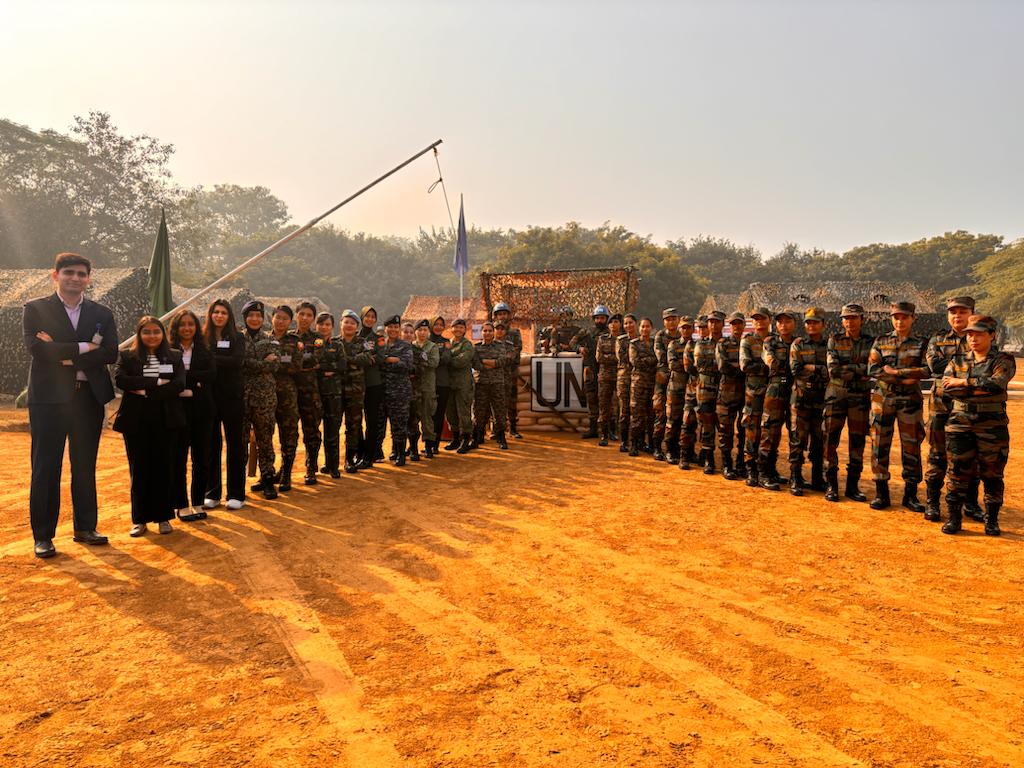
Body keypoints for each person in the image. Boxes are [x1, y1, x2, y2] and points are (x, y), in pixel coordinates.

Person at [23, 252, 118, 558]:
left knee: (84, 466)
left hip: (87, 399)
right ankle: (43, 536)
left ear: (88, 278)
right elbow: (37, 349)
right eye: (69, 273)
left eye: (81, 273)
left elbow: (111, 353)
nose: (75, 278)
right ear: (56, 275)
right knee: (45, 467)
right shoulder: (35, 309)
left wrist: (61, 352)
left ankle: (85, 527)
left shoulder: (102, 313)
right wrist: (85, 346)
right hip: (49, 400)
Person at [939, 315, 1015, 535]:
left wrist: (964, 383)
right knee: (956, 471)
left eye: (979, 333)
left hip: (992, 426)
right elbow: (948, 388)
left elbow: (996, 384)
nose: (973, 338)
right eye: (970, 333)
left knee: (992, 473)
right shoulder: (957, 361)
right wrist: (978, 387)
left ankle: (991, 520)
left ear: (992, 335)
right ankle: (954, 519)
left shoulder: (1003, 360)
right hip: (959, 424)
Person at [112, 316, 185, 536]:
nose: (151, 336)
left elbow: (180, 384)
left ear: (162, 334)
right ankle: (140, 519)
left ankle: (164, 517)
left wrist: (144, 392)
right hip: (136, 421)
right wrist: (156, 383)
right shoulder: (127, 356)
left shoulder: (174, 356)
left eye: (156, 331)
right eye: (147, 332)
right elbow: (122, 380)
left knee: (164, 467)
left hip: (165, 419)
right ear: (139, 334)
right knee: (139, 468)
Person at [866, 301, 929, 511]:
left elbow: (927, 370)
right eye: (896, 317)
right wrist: (908, 377)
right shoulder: (880, 341)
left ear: (913, 318)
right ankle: (881, 493)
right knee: (879, 444)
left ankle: (910, 495)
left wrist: (896, 373)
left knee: (911, 445)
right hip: (882, 399)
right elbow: (873, 369)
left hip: (910, 401)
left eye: (904, 317)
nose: (899, 321)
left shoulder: (922, 343)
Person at [924, 297, 981, 522]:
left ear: (972, 313)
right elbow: (934, 366)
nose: (957, 315)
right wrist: (968, 367)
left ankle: (970, 503)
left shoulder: (981, 337)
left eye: (962, 311)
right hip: (941, 405)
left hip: (970, 406)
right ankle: (933, 503)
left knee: (970, 455)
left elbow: (985, 368)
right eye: (953, 312)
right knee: (937, 454)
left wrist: (957, 371)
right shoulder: (937, 339)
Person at [823, 303, 873, 503]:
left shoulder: (871, 342)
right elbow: (833, 369)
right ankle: (831, 486)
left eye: (853, 317)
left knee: (857, 442)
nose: (849, 321)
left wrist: (852, 369)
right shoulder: (834, 340)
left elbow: (873, 368)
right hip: (836, 396)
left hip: (860, 398)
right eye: (846, 318)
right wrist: (860, 370)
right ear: (841, 320)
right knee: (830, 441)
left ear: (862, 319)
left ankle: (853, 486)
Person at [169, 309, 216, 522]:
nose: (187, 328)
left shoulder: (205, 350)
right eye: (182, 324)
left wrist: (184, 378)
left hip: (202, 411)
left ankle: (197, 501)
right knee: (178, 458)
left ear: (196, 327)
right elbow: (167, 377)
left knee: (202, 459)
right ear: (176, 328)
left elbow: (211, 375)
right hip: (177, 410)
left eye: (191, 324)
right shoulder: (168, 350)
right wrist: (195, 381)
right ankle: (181, 504)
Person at [203, 299, 246, 510]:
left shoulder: (238, 337)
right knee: (212, 445)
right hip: (209, 397)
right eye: (216, 312)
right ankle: (212, 492)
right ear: (210, 315)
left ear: (229, 316)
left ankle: (236, 493)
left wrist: (212, 358)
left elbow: (237, 361)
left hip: (232, 397)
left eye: (223, 313)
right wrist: (219, 358)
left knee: (235, 445)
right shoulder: (203, 337)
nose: (219, 316)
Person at [240, 301, 280, 500]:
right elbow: (236, 363)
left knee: (265, 440)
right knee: (241, 442)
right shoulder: (238, 339)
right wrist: (262, 363)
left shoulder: (271, 340)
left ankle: (267, 480)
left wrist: (249, 364)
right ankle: (237, 484)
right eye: (251, 315)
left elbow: (275, 366)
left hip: (264, 399)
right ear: (245, 317)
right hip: (241, 398)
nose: (255, 319)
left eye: (258, 315)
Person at [788, 308, 829, 496]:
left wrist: (812, 367)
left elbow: (833, 370)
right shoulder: (798, 344)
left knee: (819, 441)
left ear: (823, 324)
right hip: (801, 400)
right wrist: (821, 370)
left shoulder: (830, 345)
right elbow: (796, 369)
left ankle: (817, 478)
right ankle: (795, 478)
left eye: (815, 322)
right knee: (798, 440)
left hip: (821, 400)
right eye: (808, 322)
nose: (811, 325)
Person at [758, 311, 797, 490]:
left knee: (794, 431)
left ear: (794, 324)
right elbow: (769, 360)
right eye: (780, 322)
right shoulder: (770, 342)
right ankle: (763, 473)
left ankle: (786, 473)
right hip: (775, 389)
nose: (783, 325)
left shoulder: (799, 343)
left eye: (787, 322)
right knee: (770, 431)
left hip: (795, 390)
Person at [338, 310, 375, 471]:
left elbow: (368, 359)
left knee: (353, 426)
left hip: (356, 390)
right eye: (346, 322)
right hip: (336, 390)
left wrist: (345, 360)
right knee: (333, 425)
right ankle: (331, 462)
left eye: (352, 323)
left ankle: (350, 459)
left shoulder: (363, 342)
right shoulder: (333, 342)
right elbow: (328, 361)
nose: (349, 325)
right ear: (341, 323)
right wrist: (354, 361)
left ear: (356, 326)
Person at [269, 305, 301, 491]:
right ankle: (266, 473)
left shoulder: (294, 341)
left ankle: (286, 473)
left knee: (288, 433)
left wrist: (272, 363)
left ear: (290, 322)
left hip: (287, 394)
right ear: (272, 318)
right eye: (278, 317)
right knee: (264, 434)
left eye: (285, 319)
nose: (280, 321)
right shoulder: (263, 338)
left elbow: (296, 366)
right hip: (265, 392)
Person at [739, 308, 772, 486]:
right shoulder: (748, 340)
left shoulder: (775, 340)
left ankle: (767, 470)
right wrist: (768, 367)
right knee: (752, 431)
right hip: (753, 393)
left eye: (762, 318)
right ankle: (751, 471)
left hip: (773, 393)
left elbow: (783, 365)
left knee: (770, 431)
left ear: (769, 320)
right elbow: (745, 365)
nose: (759, 322)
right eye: (756, 319)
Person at [293, 301, 323, 485]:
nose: (305, 318)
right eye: (302, 314)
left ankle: (311, 466)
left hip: (310, 392)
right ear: (296, 315)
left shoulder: (317, 338)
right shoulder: (288, 338)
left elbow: (316, 359)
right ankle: (286, 467)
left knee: (311, 431)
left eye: (309, 315)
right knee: (288, 432)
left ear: (313, 318)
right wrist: (304, 362)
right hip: (289, 393)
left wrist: (294, 363)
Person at [379, 315, 414, 465]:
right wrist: (394, 359)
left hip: (400, 391)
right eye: (390, 327)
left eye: (395, 327)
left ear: (399, 329)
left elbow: (407, 365)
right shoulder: (380, 345)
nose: (393, 329)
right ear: (385, 328)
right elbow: (377, 363)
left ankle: (401, 454)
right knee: (381, 424)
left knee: (399, 424)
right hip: (382, 391)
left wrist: (387, 360)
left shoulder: (405, 346)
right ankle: (385, 451)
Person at [716, 312, 746, 480]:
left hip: (746, 394)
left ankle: (741, 464)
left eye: (739, 323)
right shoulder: (723, 343)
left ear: (743, 325)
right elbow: (723, 366)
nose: (737, 327)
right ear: (730, 326)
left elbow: (757, 364)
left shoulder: (749, 343)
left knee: (744, 431)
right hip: (726, 394)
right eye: (734, 324)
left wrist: (740, 366)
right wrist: (743, 368)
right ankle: (727, 465)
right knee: (725, 431)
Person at [570, 306, 609, 439]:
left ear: (606, 319)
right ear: (594, 319)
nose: (599, 320)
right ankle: (593, 429)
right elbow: (572, 342)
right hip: (590, 370)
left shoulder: (611, 332)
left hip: (606, 371)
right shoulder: (586, 332)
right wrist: (579, 348)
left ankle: (608, 430)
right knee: (591, 399)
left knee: (606, 401)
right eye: (597, 318)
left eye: (602, 318)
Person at [695, 311, 725, 475]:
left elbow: (733, 366)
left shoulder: (727, 343)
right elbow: (700, 364)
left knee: (723, 425)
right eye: (711, 322)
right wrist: (723, 364)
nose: (713, 325)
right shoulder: (701, 344)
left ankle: (727, 461)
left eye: (717, 322)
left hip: (725, 389)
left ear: (723, 324)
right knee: (706, 424)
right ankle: (708, 459)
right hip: (705, 388)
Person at [315, 312, 344, 477]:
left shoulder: (337, 345)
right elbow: (310, 363)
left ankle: (332, 465)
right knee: (313, 431)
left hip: (333, 392)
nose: (324, 327)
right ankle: (311, 466)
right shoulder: (312, 343)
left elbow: (342, 364)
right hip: (315, 392)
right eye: (321, 324)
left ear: (332, 327)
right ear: (316, 325)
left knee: (332, 430)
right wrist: (325, 368)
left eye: (327, 324)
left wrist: (323, 367)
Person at [472, 321, 509, 450]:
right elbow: (476, 365)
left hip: (496, 383)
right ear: (481, 333)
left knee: (499, 411)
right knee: (479, 412)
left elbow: (502, 361)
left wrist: (486, 362)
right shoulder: (476, 348)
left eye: (490, 331)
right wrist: (492, 363)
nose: (487, 333)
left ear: (493, 332)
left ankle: (501, 437)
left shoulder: (500, 346)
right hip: (481, 383)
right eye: (485, 331)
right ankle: (478, 437)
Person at [653, 308, 682, 460]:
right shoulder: (660, 336)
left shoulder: (682, 335)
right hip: (662, 379)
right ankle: (657, 447)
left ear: (678, 319)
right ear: (664, 321)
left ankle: (674, 447)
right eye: (668, 319)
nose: (671, 321)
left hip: (678, 380)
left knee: (676, 415)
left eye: (673, 318)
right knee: (660, 413)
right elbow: (660, 355)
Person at [358, 307, 386, 464]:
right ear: (362, 317)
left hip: (373, 383)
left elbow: (381, 357)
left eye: (372, 317)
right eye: (367, 316)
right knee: (355, 420)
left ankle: (370, 454)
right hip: (355, 383)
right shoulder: (354, 337)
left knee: (372, 419)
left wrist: (361, 359)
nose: (369, 319)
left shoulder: (378, 338)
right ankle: (359, 452)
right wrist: (369, 357)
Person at [492, 303, 524, 438]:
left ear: (509, 316)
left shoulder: (515, 333)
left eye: (505, 314)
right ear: (495, 316)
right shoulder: (491, 331)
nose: (502, 316)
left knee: (511, 399)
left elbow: (517, 349)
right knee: (495, 399)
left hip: (510, 371)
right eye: (500, 314)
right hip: (495, 371)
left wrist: (505, 359)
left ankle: (513, 428)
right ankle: (497, 429)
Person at [679, 316, 707, 468]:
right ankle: (685, 456)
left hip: (709, 390)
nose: (703, 330)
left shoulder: (715, 344)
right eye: (700, 328)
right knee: (688, 422)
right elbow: (688, 367)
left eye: (705, 327)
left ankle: (703, 456)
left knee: (706, 424)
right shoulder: (691, 345)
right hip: (692, 388)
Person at [664, 316, 693, 464]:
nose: (686, 330)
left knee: (689, 421)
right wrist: (691, 366)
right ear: (680, 329)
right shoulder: (673, 345)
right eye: (683, 327)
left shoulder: (698, 345)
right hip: (676, 388)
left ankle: (688, 450)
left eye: (689, 327)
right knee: (673, 420)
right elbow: (673, 365)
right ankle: (670, 450)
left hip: (693, 390)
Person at [445, 318, 476, 453]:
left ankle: (466, 440)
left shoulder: (467, 345)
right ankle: (455, 438)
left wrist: (447, 359)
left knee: (463, 412)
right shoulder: (448, 343)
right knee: (450, 412)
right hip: (450, 383)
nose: (457, 330)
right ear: (451, 329)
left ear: (465, 330)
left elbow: (462, 361)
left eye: (461, 327)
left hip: (463, 384)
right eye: (455, 327)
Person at [628, 318, 657, 457]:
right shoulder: (634, 344)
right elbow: (635, 362)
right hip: (638, 385)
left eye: (647, 326)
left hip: (652, 385)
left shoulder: (655, 343)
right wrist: (651, 360)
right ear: (639, 329)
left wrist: (647, 359)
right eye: (642, 326)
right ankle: (634, 444)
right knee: (637, 417)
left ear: (651, 328)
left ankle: (651, 444)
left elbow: (659, 359)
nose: (645, 329)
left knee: (651, 416)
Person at [411, 319, 440, 458]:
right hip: (414, 387)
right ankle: (413, 447)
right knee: (413, 417)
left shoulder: (432, 347)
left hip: (428, 386)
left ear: (428, 332)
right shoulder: (411, 346)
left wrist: (423, 360)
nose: (422, 333)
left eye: (425, 330)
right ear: (415, 332)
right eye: (420, 330)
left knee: (427, 417)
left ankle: (429, 446)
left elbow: (434, 363)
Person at [594, 313, 623, 446]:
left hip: (621, 377)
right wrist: (615, 358)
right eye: (611, 322)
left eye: (616, 322)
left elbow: (626, 358)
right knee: (604, 406)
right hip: (605, 377)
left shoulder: (624, 339)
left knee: (617, 407)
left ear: (620, 324)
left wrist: (609, 356)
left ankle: (614, 432)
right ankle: (604, 435)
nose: (613, 325)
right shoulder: (602, 339)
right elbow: (599, 358)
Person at [428, 316, 452, 453]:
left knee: (439, 414)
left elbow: (447, 359)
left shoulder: (446, 342)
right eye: (435, 324)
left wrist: (433, 359)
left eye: (441, 325)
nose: (438, 327)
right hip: (428, 383)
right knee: (428, 414)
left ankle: (435, 445)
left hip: (443, 383)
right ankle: (428, 444)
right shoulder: (426, 341)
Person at [615, 314, 638, 452]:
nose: (628, 326)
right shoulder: (620, 340)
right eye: (626, 323)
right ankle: (624, 441)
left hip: (640, 380)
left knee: (637, 412)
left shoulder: (643, 340)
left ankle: (636, 442)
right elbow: (623, 358)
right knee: (624, 412)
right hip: (624, 379)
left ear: (636, 324)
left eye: (631, 323)